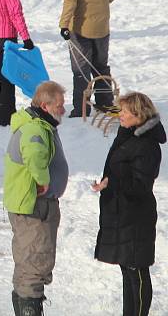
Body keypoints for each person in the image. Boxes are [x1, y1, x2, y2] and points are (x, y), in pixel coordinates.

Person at [92, 92, 165, 316]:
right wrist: (108, 183)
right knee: (127, 269)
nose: (119, 115)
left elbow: (140, 185)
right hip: (122, 211)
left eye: (124, 111)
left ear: (138, 114)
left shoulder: (148, 145)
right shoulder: (127, 134)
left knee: (138, 272)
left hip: (136, 216)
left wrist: (111, 183)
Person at [3, 81, 68, 316]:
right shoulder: (35, 129)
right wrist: (43, 180)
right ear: (45, 105)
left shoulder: (39, 124)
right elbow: (34, 157)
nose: (63, 110)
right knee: (35, 261)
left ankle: (25, 306)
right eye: (59, 106)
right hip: (34, 206)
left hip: (32, 205)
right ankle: (30, 308)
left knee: (27, 260)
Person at [59, 0, 120, 117]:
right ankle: (105, 103)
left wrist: (64, 24)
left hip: (80, 27)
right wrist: (101, 4)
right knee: (101, 65)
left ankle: (81, 108)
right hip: (102, 25)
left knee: (81, 69)